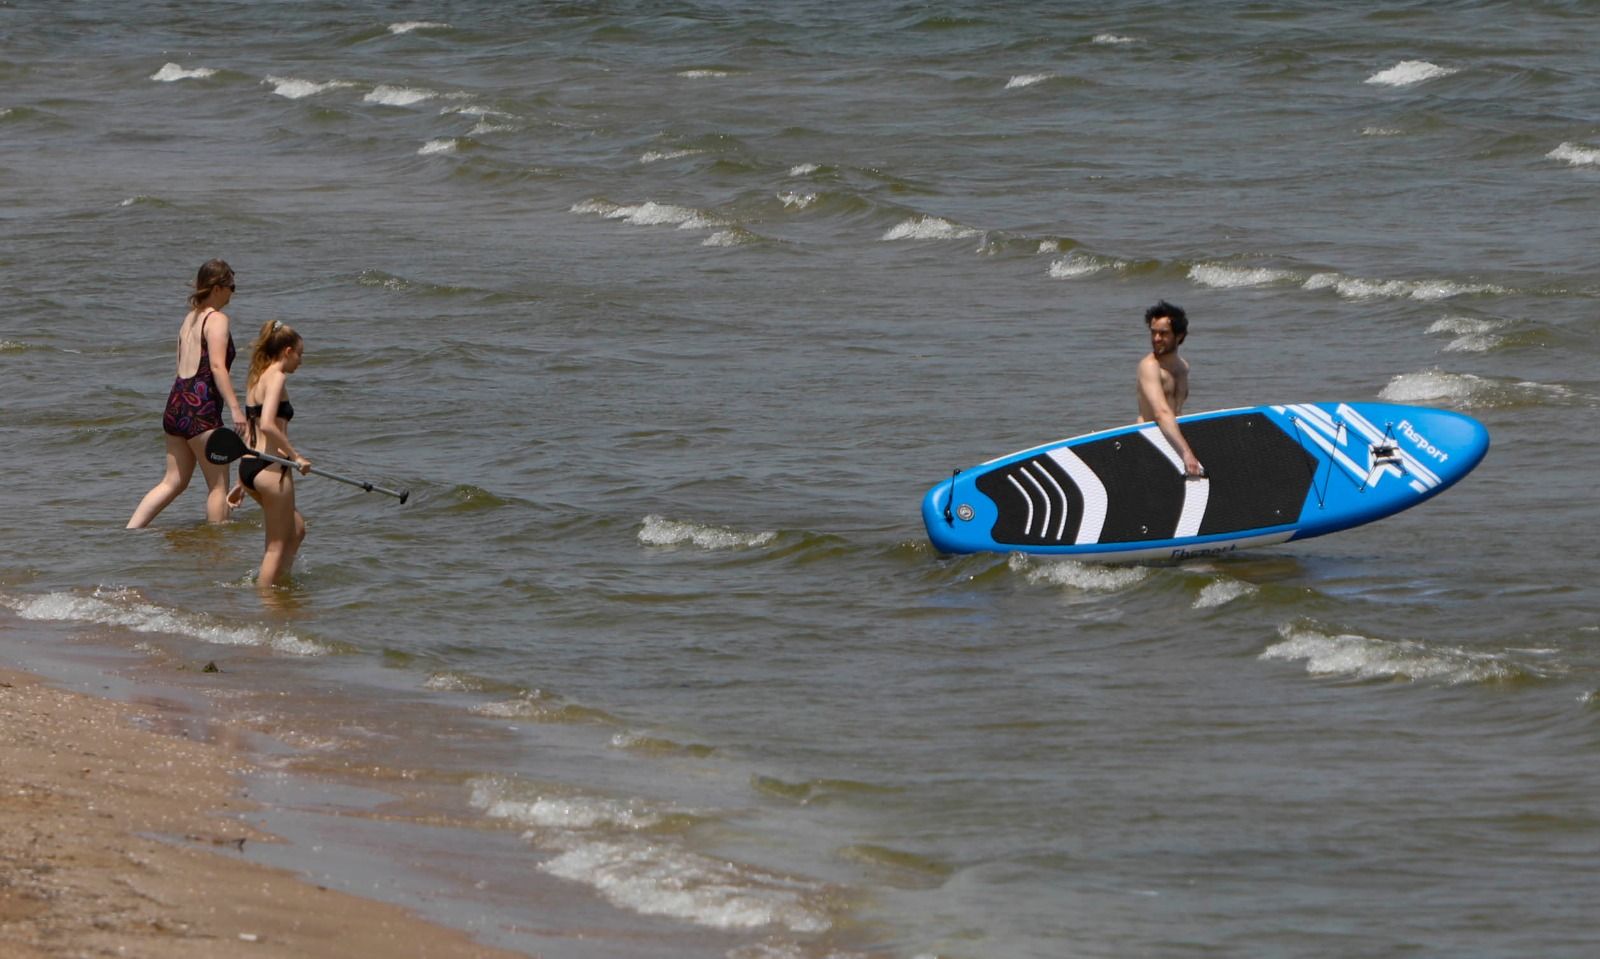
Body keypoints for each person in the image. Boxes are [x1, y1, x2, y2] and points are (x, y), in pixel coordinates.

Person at [127, 260, 248, 528]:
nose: (233, 294)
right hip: (201, 408)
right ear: (218, 287)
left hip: (176, 404)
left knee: (173, 481)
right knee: (218, 486)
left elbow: (180, 365)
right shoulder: (217, 319)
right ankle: (217, 548)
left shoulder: (189, 319)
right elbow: (217, 366)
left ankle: (130, 532)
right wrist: (236, 409)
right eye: (232, 287)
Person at [233, 320, 312, 587]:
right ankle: (268, 602)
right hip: (271, 470)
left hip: (250, 466)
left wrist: (241, 483)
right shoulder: (277, 377)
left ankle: (279, 582)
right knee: (275, 546)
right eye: (299, 354)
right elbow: (266, 423)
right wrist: (296, 456)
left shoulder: (257, 375)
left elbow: (252, 430)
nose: (300, 361)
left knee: (297, 529)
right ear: (287, 351)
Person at [1136, 299, 1204, 478]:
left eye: (1163, 333)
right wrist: (1186, 453)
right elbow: (1161, 412)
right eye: (1153, 332)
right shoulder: (1149, 367)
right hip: (1149, 438)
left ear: (1179, 336)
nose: (1156, 338)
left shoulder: (1183, 367)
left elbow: (1176, 411)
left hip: (1172, 437)